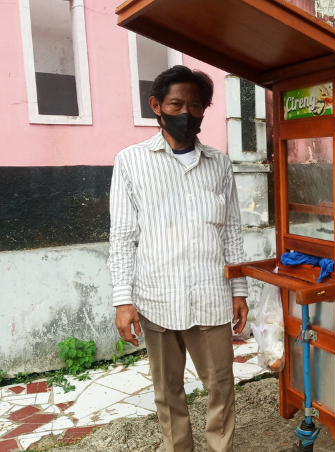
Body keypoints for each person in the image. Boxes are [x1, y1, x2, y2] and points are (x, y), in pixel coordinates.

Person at [108, 65, 248, 452]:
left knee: (221, 385)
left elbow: (232, 231)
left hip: (211, 297)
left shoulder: (219, 164)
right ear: (157, 106)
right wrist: (123, 299)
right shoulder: (131, 162)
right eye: (176, 103)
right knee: (167, 391)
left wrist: (240, 289)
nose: (186, 112)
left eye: (195, 105)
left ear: (204, 111)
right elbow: (122, 236)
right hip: (157, 297)